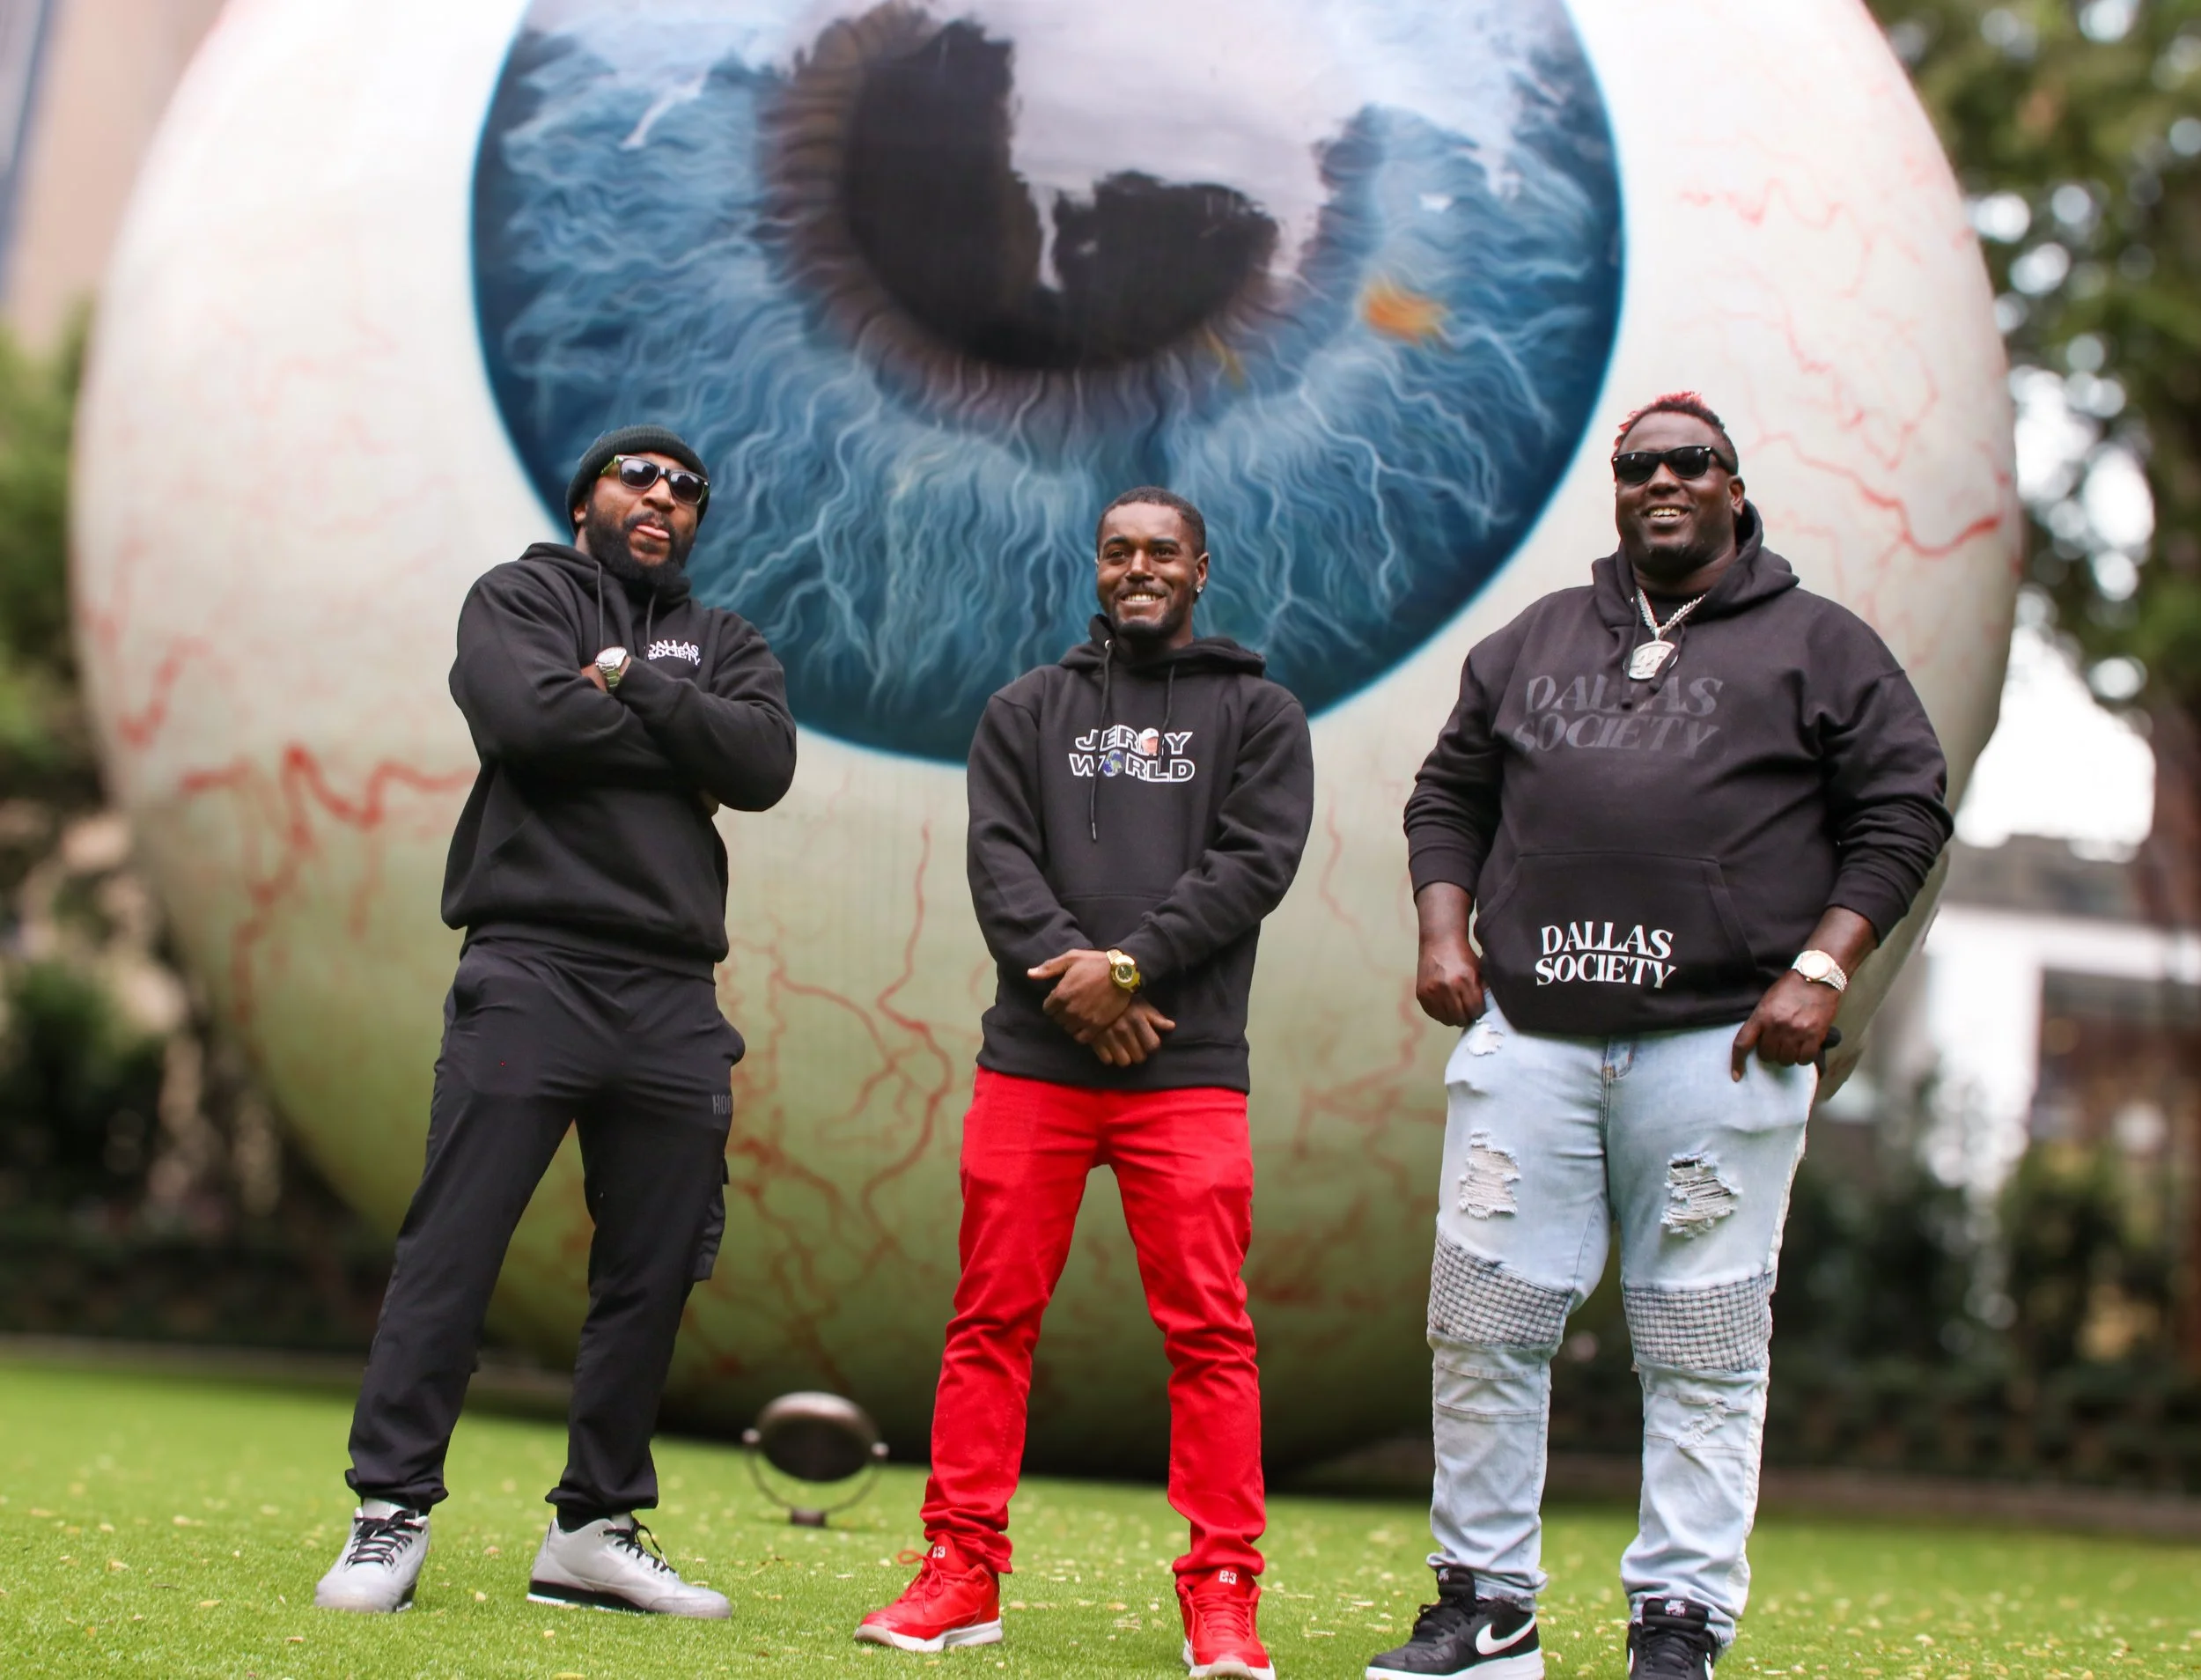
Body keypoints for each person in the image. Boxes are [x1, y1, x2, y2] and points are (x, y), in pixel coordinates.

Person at [1370, 394, 1951, 1680]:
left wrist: (1822, 967)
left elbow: (1906, 808)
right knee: (1482, 1322)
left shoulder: (1821, 645)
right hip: (1535, 1034)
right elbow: (1448, 794)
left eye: (1691, 462)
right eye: (1637, 466)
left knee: (1700, 1345)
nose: (1662, 481)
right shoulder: (1536, 638)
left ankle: (1679, 1622)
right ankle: (1485, 1609)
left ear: (1735, 488)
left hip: (1718, 1043)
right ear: (1620, 490)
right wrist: (1443, 933)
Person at [313, 425, 797, 1617]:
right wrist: (680, 744)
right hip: (533, 966)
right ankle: (390, 1512)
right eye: (639, 477)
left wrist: (629, 683)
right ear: (586, 500)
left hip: (672, 992)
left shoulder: (726, 640)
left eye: (688, 488)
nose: (665, 496)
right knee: (456, 1243)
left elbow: (762, 763)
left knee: (654, 1266)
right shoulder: (520, 597)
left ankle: (593, 1529)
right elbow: (527, 724)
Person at [855, 488, 1314, 1678]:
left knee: (1210, 1332)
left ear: (1201, 569)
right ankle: (962, 1571)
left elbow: (1254, 865)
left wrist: (1129, 969)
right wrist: (1084, 982)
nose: (1138, 567)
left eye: (1162, 551)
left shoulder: (1260, 713)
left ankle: (1223, 1592)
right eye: (1118, 552)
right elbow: (1000, 862)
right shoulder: (1027, 709)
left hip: (1188, 1068)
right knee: (990, 1319)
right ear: (1096, 568)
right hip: (1035, 1064)